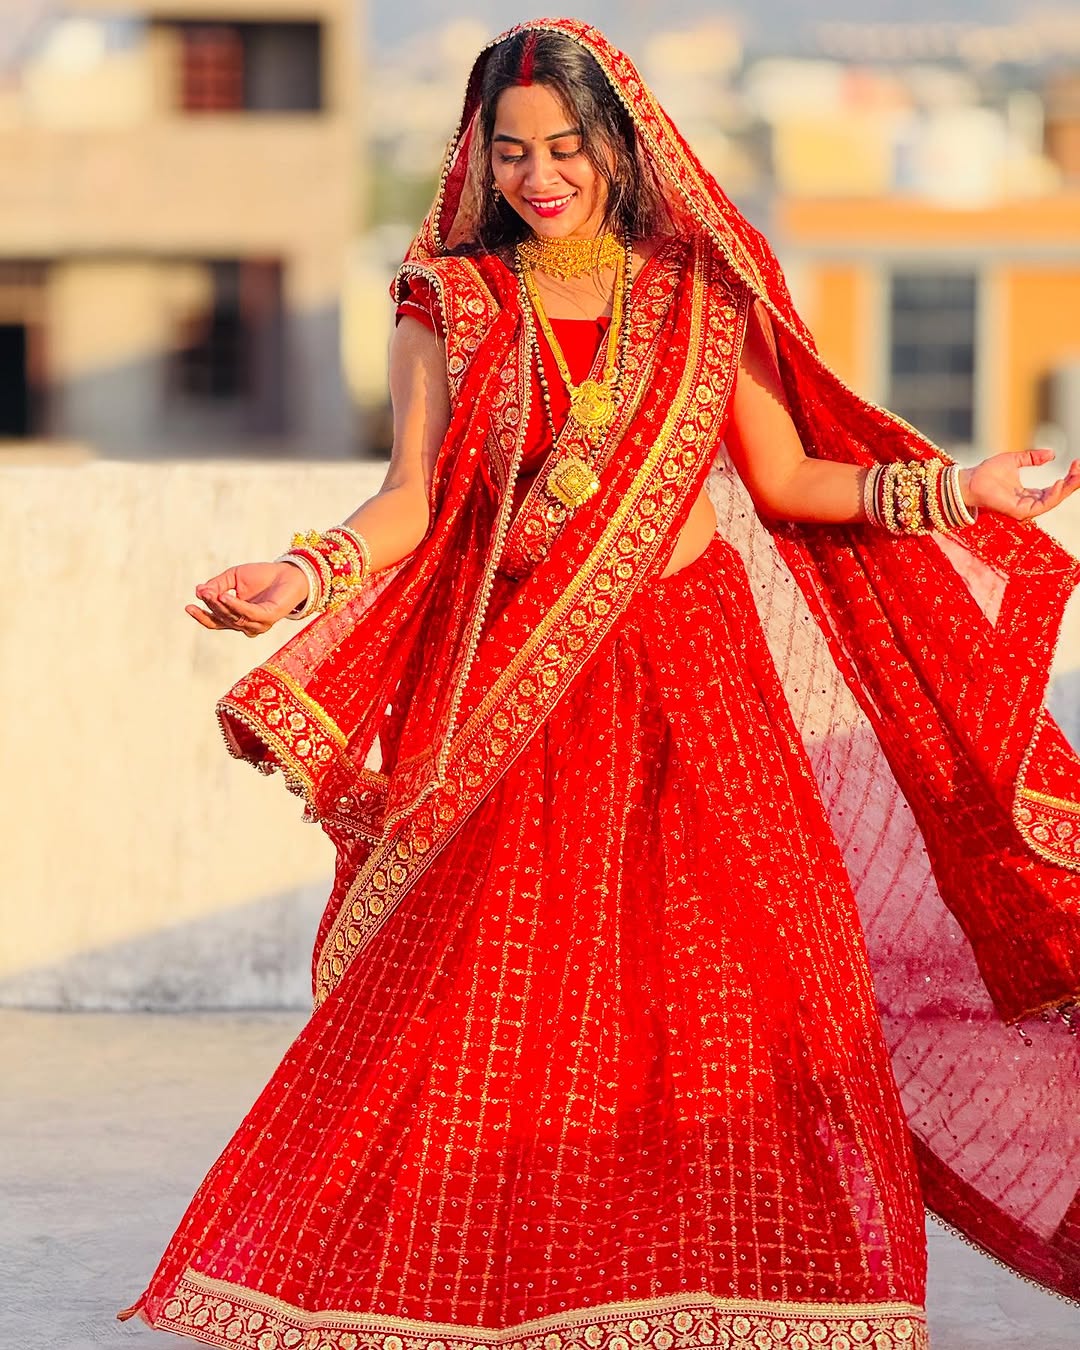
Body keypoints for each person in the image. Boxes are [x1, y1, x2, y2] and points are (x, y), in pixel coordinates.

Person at [121, 20, 1080, 1350]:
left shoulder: (701, 296)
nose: (540, 177)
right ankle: (494, 1279)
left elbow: (790, 478)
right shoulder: (452, 301)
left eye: (566, 147)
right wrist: (302, 575)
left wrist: (956, 489)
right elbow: (410, 499)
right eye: (511, 152)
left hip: (699, 669)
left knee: (764, 980)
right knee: (505, 996)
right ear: (478, 157)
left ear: (621, 148)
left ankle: (758, 1284)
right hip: (532, 684)